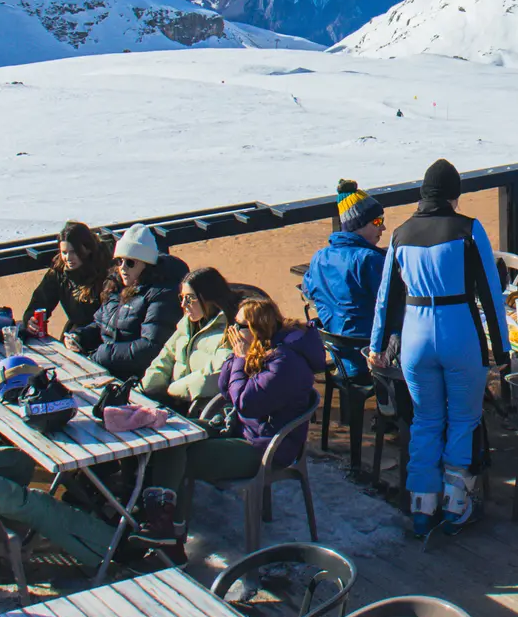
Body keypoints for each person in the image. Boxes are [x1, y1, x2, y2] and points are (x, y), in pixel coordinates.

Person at [369, 159, 508, 537]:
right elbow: (491, 294)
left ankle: (421, 506)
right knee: (463, 420)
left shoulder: (399, 234)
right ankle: (456, 505)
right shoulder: (468, 230)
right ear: (454, 195)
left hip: (415, 334)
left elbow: (386, 298)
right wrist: (503, 349)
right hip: (459, 328)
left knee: (425, 421)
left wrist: (377, 344)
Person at [144, 292, 326, 558]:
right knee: (173, 437)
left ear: (255, 329)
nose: (232, 330)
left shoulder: (285, 363)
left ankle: (169, 538)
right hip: (242, 429)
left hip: (263, 447)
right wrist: (236, 357)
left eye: (239, 325)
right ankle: (166, 527)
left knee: (186, 454)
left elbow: (246, 403)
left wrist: (240, 359)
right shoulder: (261, 351)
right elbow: (225, 388)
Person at [70, 224, 187, 378]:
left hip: (137, 378)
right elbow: (100, 324)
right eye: (120, 261)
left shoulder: (162, 294)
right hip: (109, 370)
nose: (123, 268)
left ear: (147, 264)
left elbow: (150, 348)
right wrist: (80, 337)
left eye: (130, 262)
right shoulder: (116, 286)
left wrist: (104, 354)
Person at [302, 179, 387, 378]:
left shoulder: (319, 258)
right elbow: (394, 303)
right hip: (371, 356)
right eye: (377, 221)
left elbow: (308, 290)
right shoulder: (369, 260)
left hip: (340, 354)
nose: (382, 228)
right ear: (357, 225)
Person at [141, 267, 239, 412]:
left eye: (191, 298)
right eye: (182, 298)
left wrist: (172, 390)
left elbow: (214, 375)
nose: (184, 305)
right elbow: (167, 355)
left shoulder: (230, 330)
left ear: (209, 298)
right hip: (175, 402)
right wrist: (148, 386)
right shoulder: (188, 323)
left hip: (200, 411)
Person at [22, 221, 112, 335]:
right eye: (64, 252)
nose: (68, 258)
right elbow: (41, 299)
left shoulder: (106, 273)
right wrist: (30, 319)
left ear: (88, 249)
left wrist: (83, 336)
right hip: (73, 335)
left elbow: (109, 320)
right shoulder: (59, 271)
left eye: (74, 252)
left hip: (100, 337)